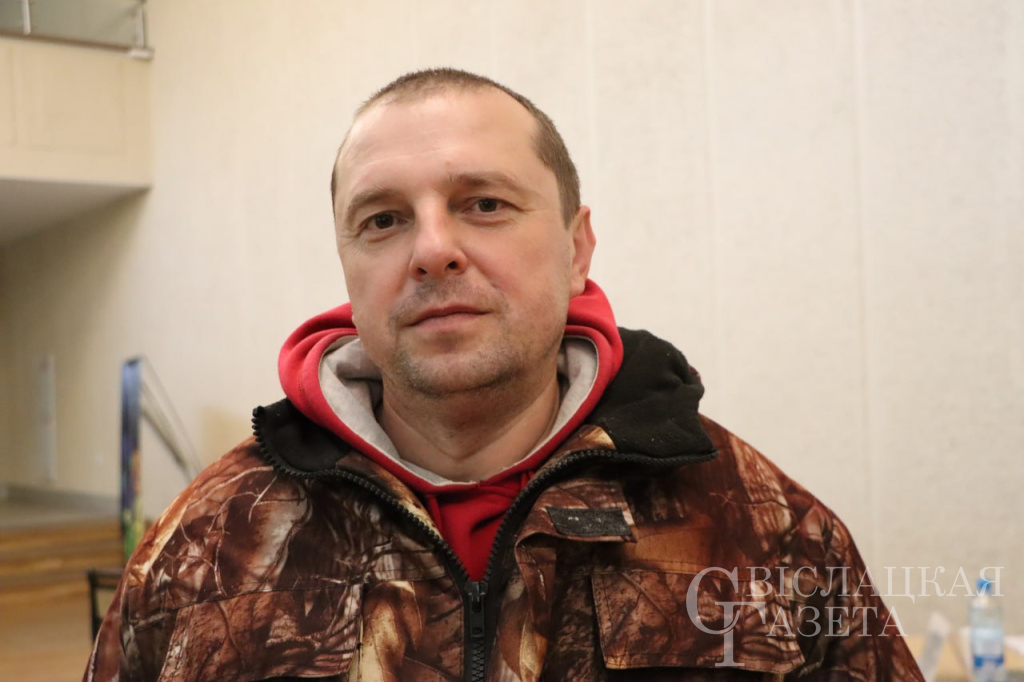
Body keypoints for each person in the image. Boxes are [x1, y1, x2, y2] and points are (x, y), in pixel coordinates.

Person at [85, 68, 923, 681]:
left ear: (576, 249)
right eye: (383, 219)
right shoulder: (204, 548)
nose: (431, 249)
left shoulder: (765, 528)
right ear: (347, 265)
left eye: (484, 203)